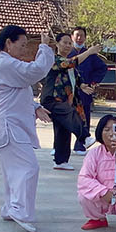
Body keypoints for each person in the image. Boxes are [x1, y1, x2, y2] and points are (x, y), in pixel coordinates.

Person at [0, 25, 55, 231]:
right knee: (28, 167)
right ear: (8, 43)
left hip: (10, 123)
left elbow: (17, 92)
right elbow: (35, 71)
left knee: (13, 169)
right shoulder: (5, 63)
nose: (25, 50)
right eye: (23, 45)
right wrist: (44, 48)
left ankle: (10, 207)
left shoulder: (7, 64)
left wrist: (35, 107)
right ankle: (19, 209)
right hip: (9, 125)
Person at [42, 32, 101, 170]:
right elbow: (72, 62)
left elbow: (76, 77)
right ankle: (84, 137)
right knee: (69, 113)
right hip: (52, 99)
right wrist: (90, 52)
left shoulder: (69, 65)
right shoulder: (54, 60)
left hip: (65, 100)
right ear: (57, 44)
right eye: (65, 42)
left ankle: (61, 161)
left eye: (70, 43)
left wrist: (82, 86)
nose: (68, 45)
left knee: (63, 129)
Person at [68, 25, 109, 155]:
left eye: (82, 35)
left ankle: (80, 146)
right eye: (77, 35)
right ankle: (59, 148)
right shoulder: (68, 53)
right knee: (65, 118)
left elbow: (102, 68)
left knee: (83, 118)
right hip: (68, 92)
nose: (79, 38)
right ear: (72, 37)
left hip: (84, 92)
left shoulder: (91, 55)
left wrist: (92, 82)